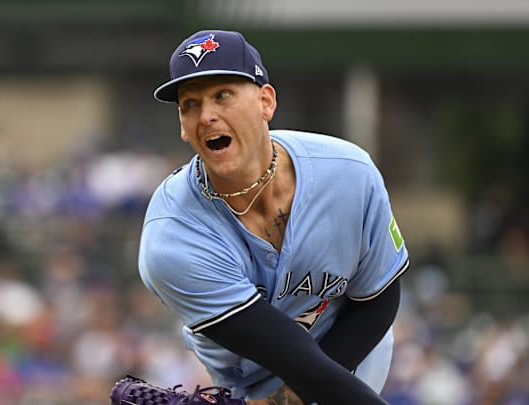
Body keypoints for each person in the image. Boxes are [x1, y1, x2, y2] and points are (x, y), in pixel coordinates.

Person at [130, 29, 409, 405]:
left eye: (222, 95)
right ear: (182, 126)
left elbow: (378, 300)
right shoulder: (173, 237)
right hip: (249, 381)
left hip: (352, 349)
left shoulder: (348, 173)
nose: (207, 115)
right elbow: (289, 355)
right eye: (190, 104)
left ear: (266, 102)